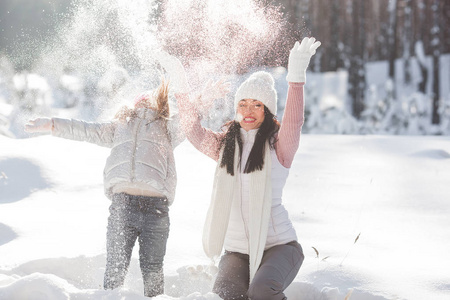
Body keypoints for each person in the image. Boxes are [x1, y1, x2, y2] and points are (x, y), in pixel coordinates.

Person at [165, 37, 321, 299]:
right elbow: (192, 130)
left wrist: (296, 79)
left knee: (261, 291)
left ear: (267, 110)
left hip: (279, 246)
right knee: (226, 295)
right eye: (243, 104)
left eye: (257, 105)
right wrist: (181, 86)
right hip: (237, 250)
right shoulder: (224, 147)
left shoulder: (279, 146)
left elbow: (294, 122)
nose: (249, 111)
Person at [24, 79, 183, 297]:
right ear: (135, 105)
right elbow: (87, 130)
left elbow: (190, 120)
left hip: (156, 209)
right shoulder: (120, 126)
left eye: (150, 102)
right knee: (115, 269)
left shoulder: (166, 127)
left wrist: (202, 99)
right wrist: (53, 124)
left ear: (159, 106)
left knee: (153, 269)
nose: (145, 104)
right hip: (122, 206)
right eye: (141, 101)